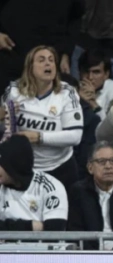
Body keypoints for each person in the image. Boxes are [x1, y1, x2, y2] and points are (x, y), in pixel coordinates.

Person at [1, 45, 84, 191]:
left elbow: (75, 136)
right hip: (22, 168)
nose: (48, 63)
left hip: (60, 167)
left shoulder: (67, 93)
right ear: (30, 67)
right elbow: (5, 132)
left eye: (51, 60)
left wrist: (38, 137)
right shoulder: (13, 91)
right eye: (41, 60)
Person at [0, 134, 67, 231]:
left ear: (12, 165)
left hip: (41, 246)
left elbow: (54, 230)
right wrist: (31, 226)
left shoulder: (50, 187)